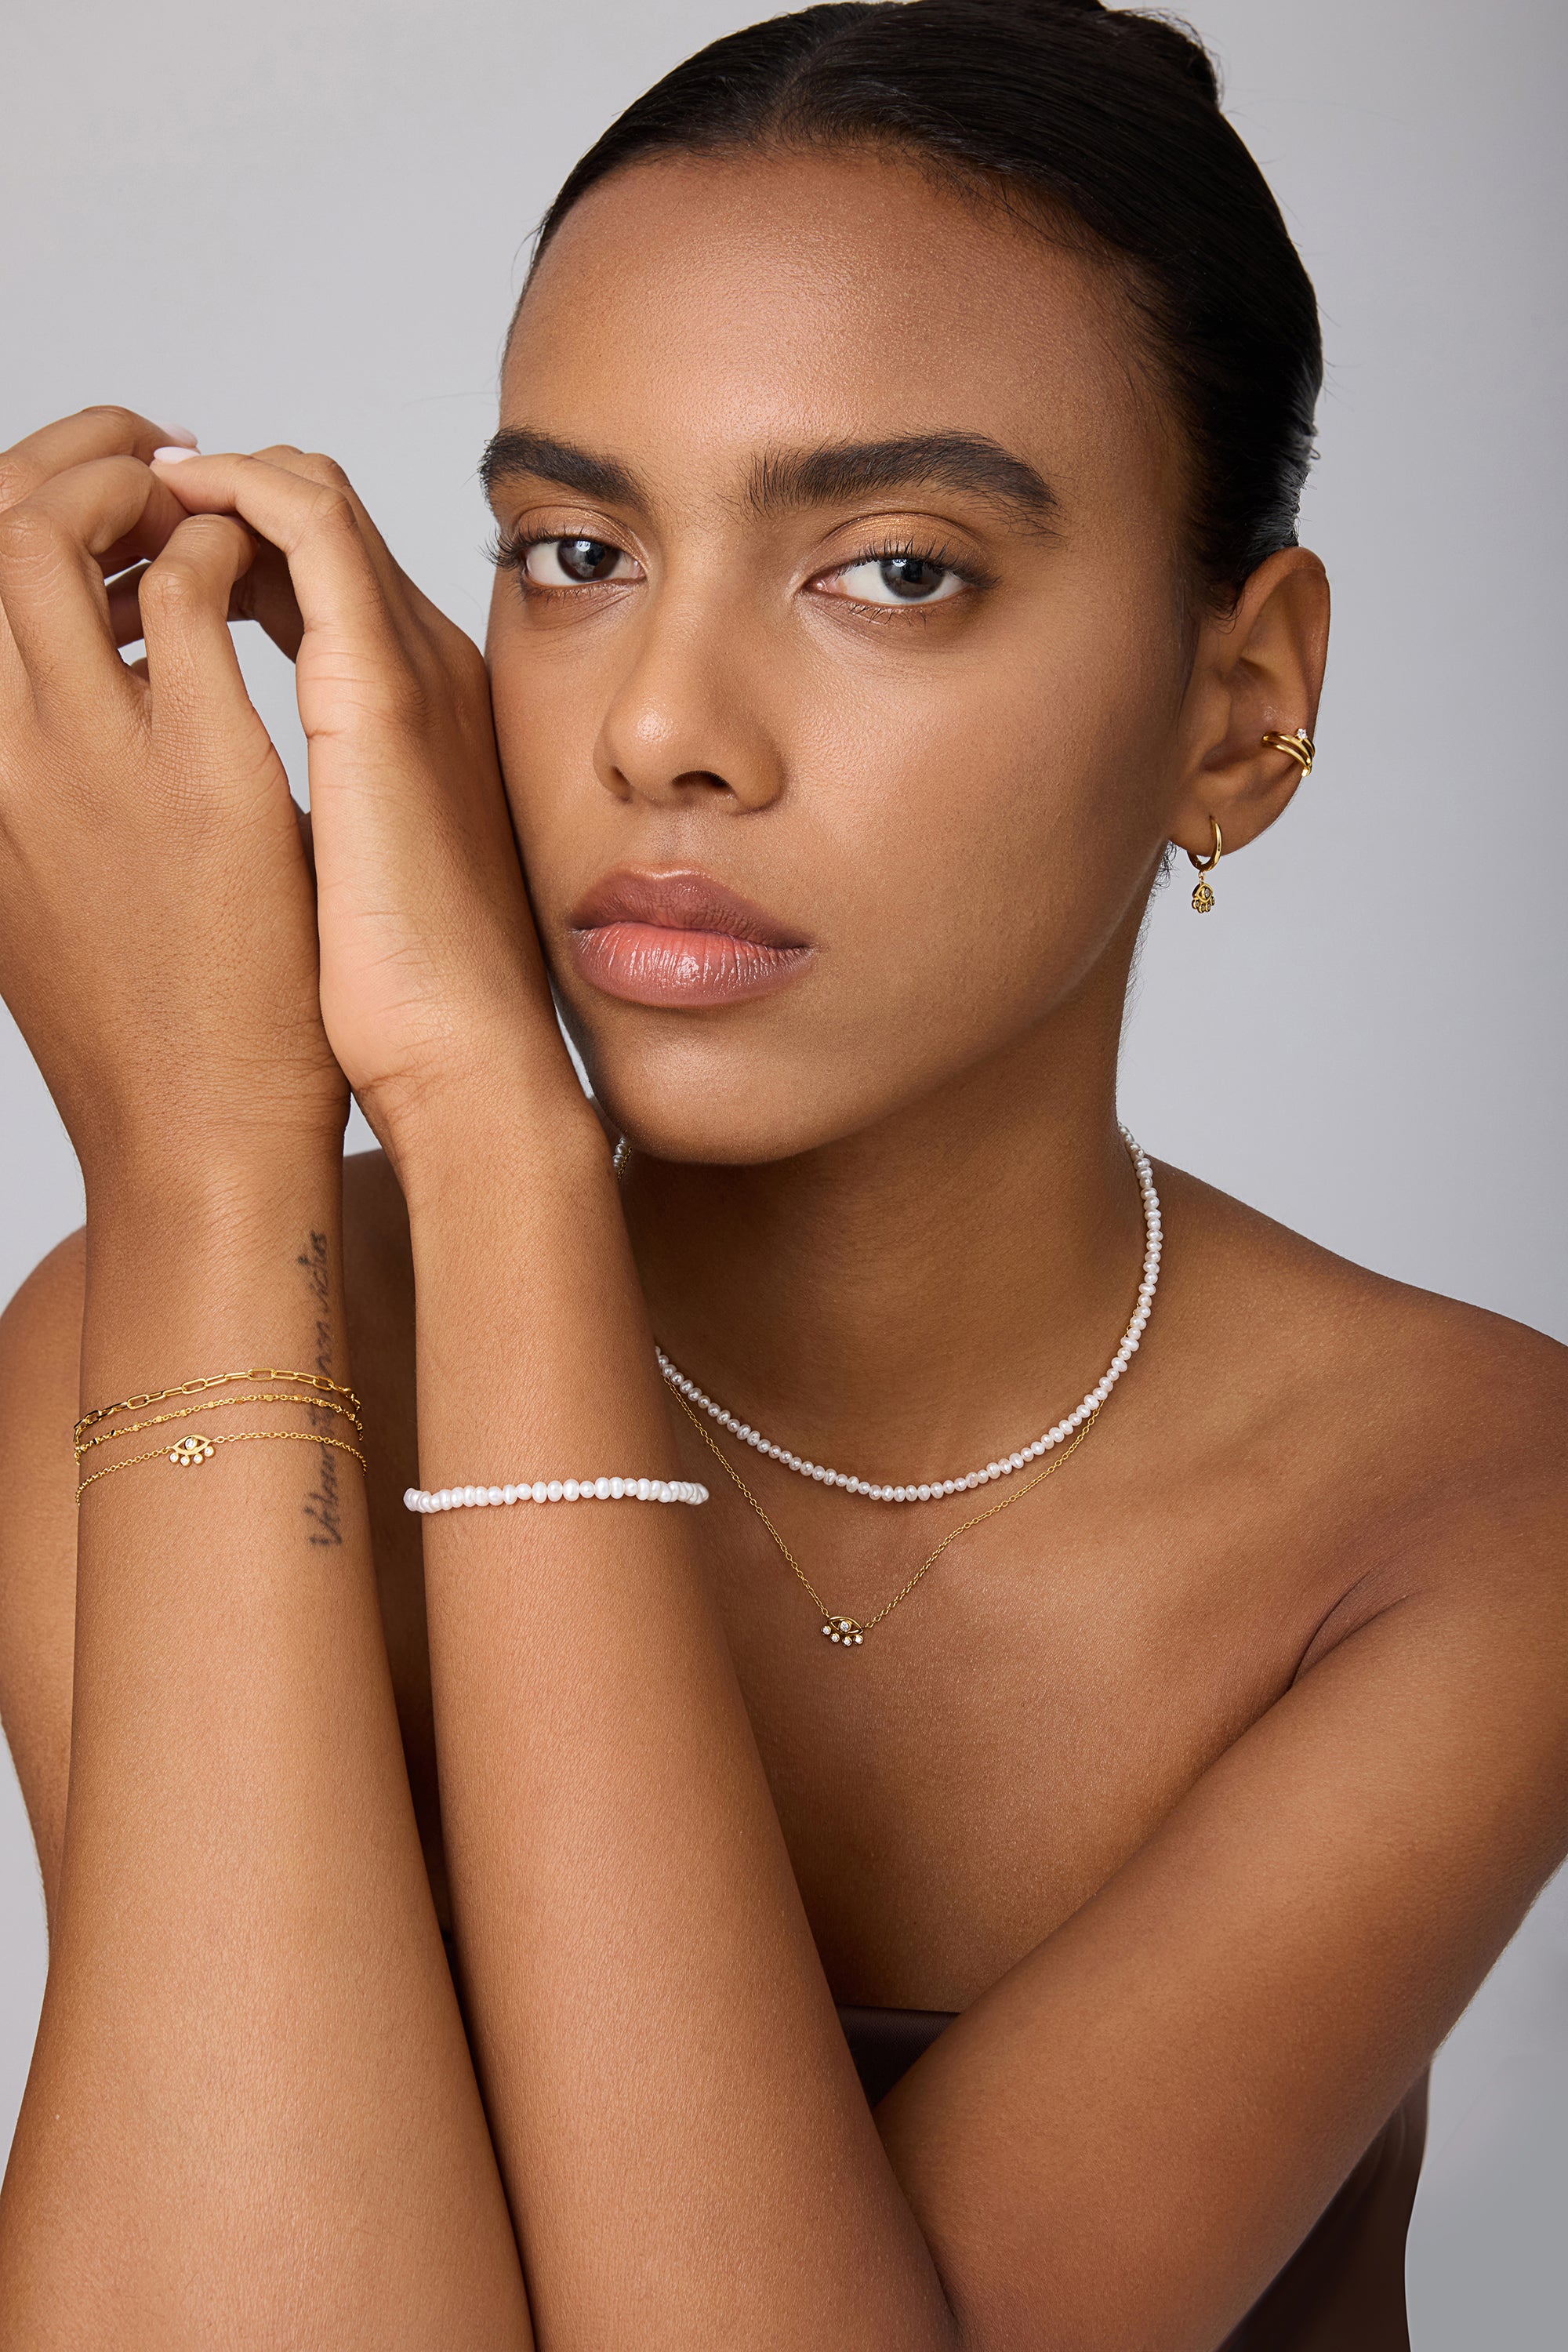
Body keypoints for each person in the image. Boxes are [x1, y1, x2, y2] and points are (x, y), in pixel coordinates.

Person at [0, 2, 1563, 2343]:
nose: (659, 732)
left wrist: (504, 1154)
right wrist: (227, 1186)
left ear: (1239, 705)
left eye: (898, 569)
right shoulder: (179, 1326)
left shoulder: (1476, 1512)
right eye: (576, 548)